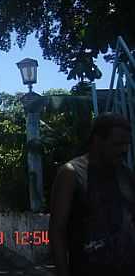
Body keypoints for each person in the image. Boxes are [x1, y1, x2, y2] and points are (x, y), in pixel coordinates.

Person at [49, 112, 135, 276]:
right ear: (97, 141)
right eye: (117, 144)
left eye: (127, 144)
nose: (124, 150)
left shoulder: (125, 174)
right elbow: (57, 230)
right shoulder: (71, 174)